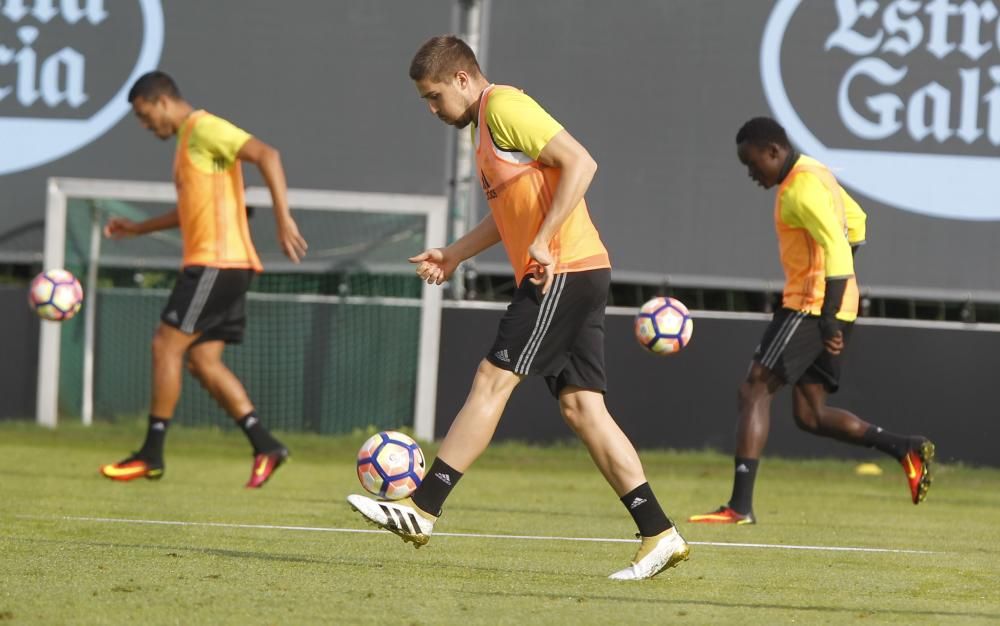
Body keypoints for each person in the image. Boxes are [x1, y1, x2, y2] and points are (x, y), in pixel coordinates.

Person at [347, 35, 688, 581]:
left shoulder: (502, 106)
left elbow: (581, 162)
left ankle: (422, 508)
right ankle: (659, 533)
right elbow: (507, 214)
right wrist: (455, 254)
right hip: (574, 267)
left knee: (491, 380)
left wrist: (546, 237)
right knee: (582, 409)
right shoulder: (485, 129)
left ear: (463, 79)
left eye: (435, 97)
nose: (433, 110)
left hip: (562, 269)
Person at [688, 116, 934, 525]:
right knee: (811, 415)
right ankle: (905, 447)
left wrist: (828, 317)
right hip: (833, 305)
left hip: (809, 306)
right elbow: (857, 222)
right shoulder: (817, 172)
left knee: (754, 391)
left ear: (773, 151)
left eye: (752, 163)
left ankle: (739, 507)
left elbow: (837, 246)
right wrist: (838, 304)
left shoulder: (799, 190)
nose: (751, 174)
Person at [99, 71, 308, 488]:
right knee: (201, 360)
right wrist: (138, 229)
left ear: (160, 102)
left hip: (217, 263)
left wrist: (283, 218)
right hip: (229, 264)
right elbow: (190, 210)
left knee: (165, 344)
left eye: (144, 115)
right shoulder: (186, 144)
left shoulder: (203, 127)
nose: (145, 125)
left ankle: (151, 453)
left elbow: (268, 154)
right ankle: (265, 444)